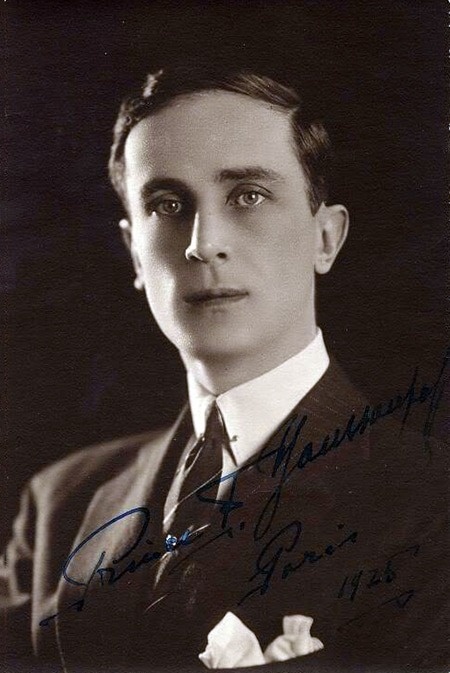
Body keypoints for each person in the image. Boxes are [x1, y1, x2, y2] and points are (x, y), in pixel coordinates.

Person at [1, 66, 447, 673]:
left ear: (325, 238)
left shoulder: (431, 504)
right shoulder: (59, 503)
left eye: (248, 195)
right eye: (168, 205)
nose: (202, 243)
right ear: (135, 254)